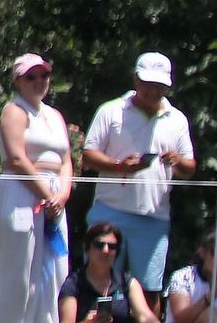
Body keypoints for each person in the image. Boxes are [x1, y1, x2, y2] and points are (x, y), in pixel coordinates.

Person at [80, 52, 197, 309]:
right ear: (135, 79)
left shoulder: (177, 119)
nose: (154, 91)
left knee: (150, 290)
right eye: (148, 84)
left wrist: (176, 160)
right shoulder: (111, 111)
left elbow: (190, 168)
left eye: (160, 86)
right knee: (98, 281)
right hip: (109, 211)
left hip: (154, 217)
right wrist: (120, 166)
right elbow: (88, 155)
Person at [0, 54, 72, 323]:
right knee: (19, 272)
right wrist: (45, 194)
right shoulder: (13, 111)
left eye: (43, 76)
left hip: (54, 197)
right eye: (31, 77)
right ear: (18, 81)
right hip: (22, 194)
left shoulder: (54, 115)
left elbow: (67, 159)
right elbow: (16, 159)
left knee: (54, 270)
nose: (39, 82)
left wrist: (63, 194)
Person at [57, 221, 176, 323]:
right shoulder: (74, 282)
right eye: (99, 245)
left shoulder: (127, 282)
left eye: (112, 247)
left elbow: (144, 316)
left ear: (117, 252)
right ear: (87, 249)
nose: (106, 250)